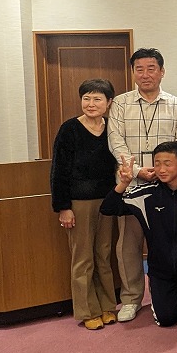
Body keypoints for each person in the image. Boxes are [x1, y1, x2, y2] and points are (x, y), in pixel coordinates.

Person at [107, 47, 177, 323]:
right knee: (128, 245)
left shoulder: (176, 104)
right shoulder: (120, 103)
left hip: (168, 186)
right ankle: (131, 299)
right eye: (139, 69)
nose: (145, 74)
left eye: (151, 69)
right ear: (133, 72)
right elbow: (115, 142)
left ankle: (170, 292)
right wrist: (137, 171)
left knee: (168, 241)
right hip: (133, 184)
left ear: (162, 72)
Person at [100, 141, 177, 327]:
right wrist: (124, 183)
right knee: (166, 319)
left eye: (167, 164)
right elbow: (108, 208)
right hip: (160, 268)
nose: (162, 169)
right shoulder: (145, 194)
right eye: (157, 163)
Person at [50, 78, 118, 330]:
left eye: (97, 98)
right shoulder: (69, 129)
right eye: (86, 98)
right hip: (78, 203)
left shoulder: (112, 128)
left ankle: (107, 305)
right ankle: (87, 310)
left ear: (109, 102)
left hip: (107, 201)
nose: (91, 103)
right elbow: (58, 170)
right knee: (83, 258)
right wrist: (63, 207)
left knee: (103, 254)